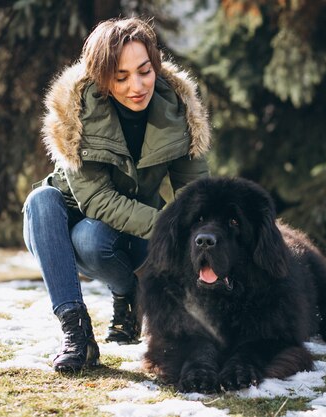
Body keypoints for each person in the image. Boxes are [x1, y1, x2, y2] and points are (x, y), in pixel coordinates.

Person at [22, 17, 211, 372]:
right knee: (39, 200)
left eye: (144, 71)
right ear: (100, 78)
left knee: (95, 237)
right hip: (59, 230)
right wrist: (170, 228)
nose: (136, 86)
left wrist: (196, 238)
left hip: (127, 236)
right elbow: (97, 200)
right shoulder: (76, 112)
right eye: (120, 77)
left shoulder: (179, 110)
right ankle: (76, 334)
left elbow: (195, 192)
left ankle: (128, 294)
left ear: (155, 65)